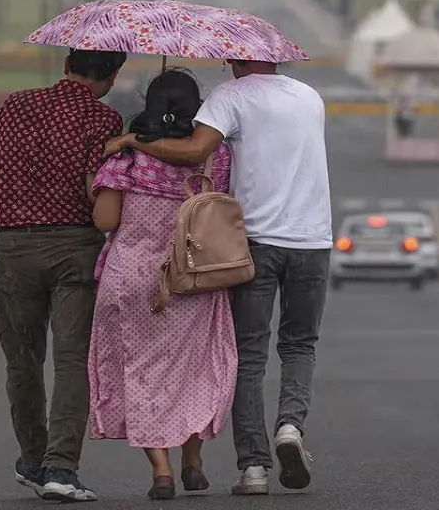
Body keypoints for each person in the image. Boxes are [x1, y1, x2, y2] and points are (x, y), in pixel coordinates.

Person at [105, 58, 332, 496]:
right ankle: (290, 426)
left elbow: (193, 151)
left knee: (248, 353)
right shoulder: (309, 97)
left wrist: (134, 138)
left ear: (238, 58)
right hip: (313, 239)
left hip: (255, 242)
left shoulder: (232, 96)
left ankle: (254, 468)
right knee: (299, 344)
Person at [0, 48, 128, 503]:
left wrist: (24, 200)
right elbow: (93, 190)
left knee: (22, 359)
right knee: (71, 360)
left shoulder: (17, 104)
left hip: (15, 246)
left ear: (67, 64)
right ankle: (61, 469)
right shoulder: (104, 119)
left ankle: (32, 456)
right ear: (112, 76)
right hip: (74, 249)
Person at [87, 69, 238, 501]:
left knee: (141, 374)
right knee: (194, 371)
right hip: (195, 278)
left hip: (133, 280)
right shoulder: (218, 157)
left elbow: (106, 221)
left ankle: (162, 471)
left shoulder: (126, 159)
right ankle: (194, 460)